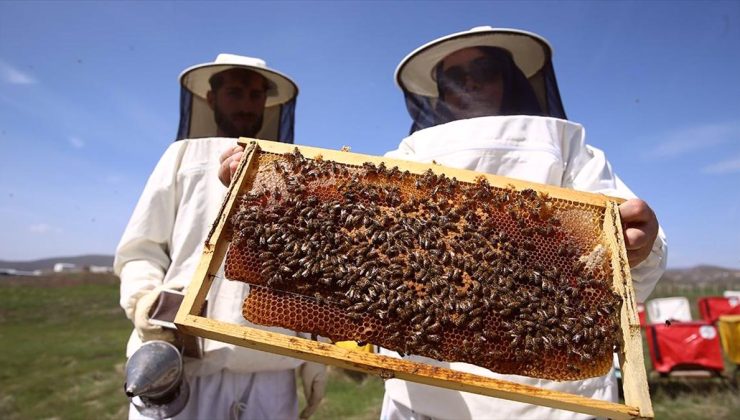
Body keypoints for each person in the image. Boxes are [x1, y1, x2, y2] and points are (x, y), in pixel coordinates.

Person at [377, 26, 666, 419]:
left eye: (484, 70)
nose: (469, 83)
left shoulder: (571, 153)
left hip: (558, 398)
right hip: (425, 391)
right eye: (454, 77)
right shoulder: (400, 162)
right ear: (440, 92)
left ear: (508, 79)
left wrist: (639, 245)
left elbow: (630, 266)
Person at [115, 53, 326, 420]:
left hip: (271, 366)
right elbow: (141, 249)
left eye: (255, 95)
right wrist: (143, 300)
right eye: (235, 92)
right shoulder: (181, 155)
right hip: (182, 363)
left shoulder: (296, 169)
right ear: (211, 99)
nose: (246, 103)